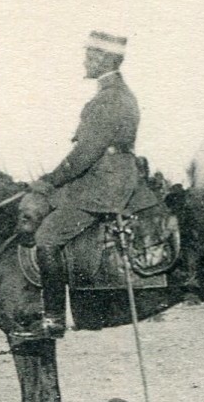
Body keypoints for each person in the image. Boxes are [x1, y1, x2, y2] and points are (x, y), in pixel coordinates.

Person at [16, 31, 148, 340]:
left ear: (106, 59)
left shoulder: (109, 98)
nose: (85, 60)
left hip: (105, 184)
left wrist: (49, 181)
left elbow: (85, 154)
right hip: (103, 176)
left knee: (47, 236)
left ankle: (53, 319)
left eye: (91, 55)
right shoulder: (113, 95)